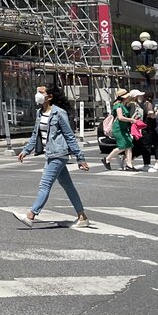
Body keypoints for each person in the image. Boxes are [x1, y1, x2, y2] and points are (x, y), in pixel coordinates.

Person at [16, 83, 91, 228]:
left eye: (41, 92)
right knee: (68, 186)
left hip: (59, 153)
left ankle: (31, 215)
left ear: (49, 97)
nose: (37, 94)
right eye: (37, 91)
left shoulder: (58, 113)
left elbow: (69, 136)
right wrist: (26, 150)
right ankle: (82, 217)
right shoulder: (39, 113)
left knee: (45, 184)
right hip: (50, 153)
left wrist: (80, 158)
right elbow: (35, 134)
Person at [103, 89, 134, 171]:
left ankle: (129, 164)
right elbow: (120, 117)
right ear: (123, 97)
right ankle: (107, 159)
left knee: (129, 145)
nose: (128, 98)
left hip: (123, 128)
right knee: (122, 146)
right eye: (127, 96)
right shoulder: (118, 105)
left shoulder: (124, 105)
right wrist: (131, 120)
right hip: (118, 128)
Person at [140, 91, 158, 172]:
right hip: (147, 128)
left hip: (150, 128)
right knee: (147, 147)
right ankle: (146, 164)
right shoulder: (148, 104)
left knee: (156, 143)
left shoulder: (144, 103)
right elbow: (152, 116)